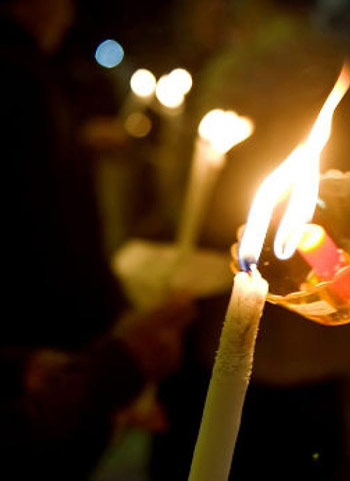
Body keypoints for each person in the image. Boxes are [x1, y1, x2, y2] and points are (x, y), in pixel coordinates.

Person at [1, 0, 193, 478]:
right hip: (38, 322)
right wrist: (109, 365)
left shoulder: (31, 70)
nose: (70, 10)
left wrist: (16, 367)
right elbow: (50, 222)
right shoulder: (16, 75)